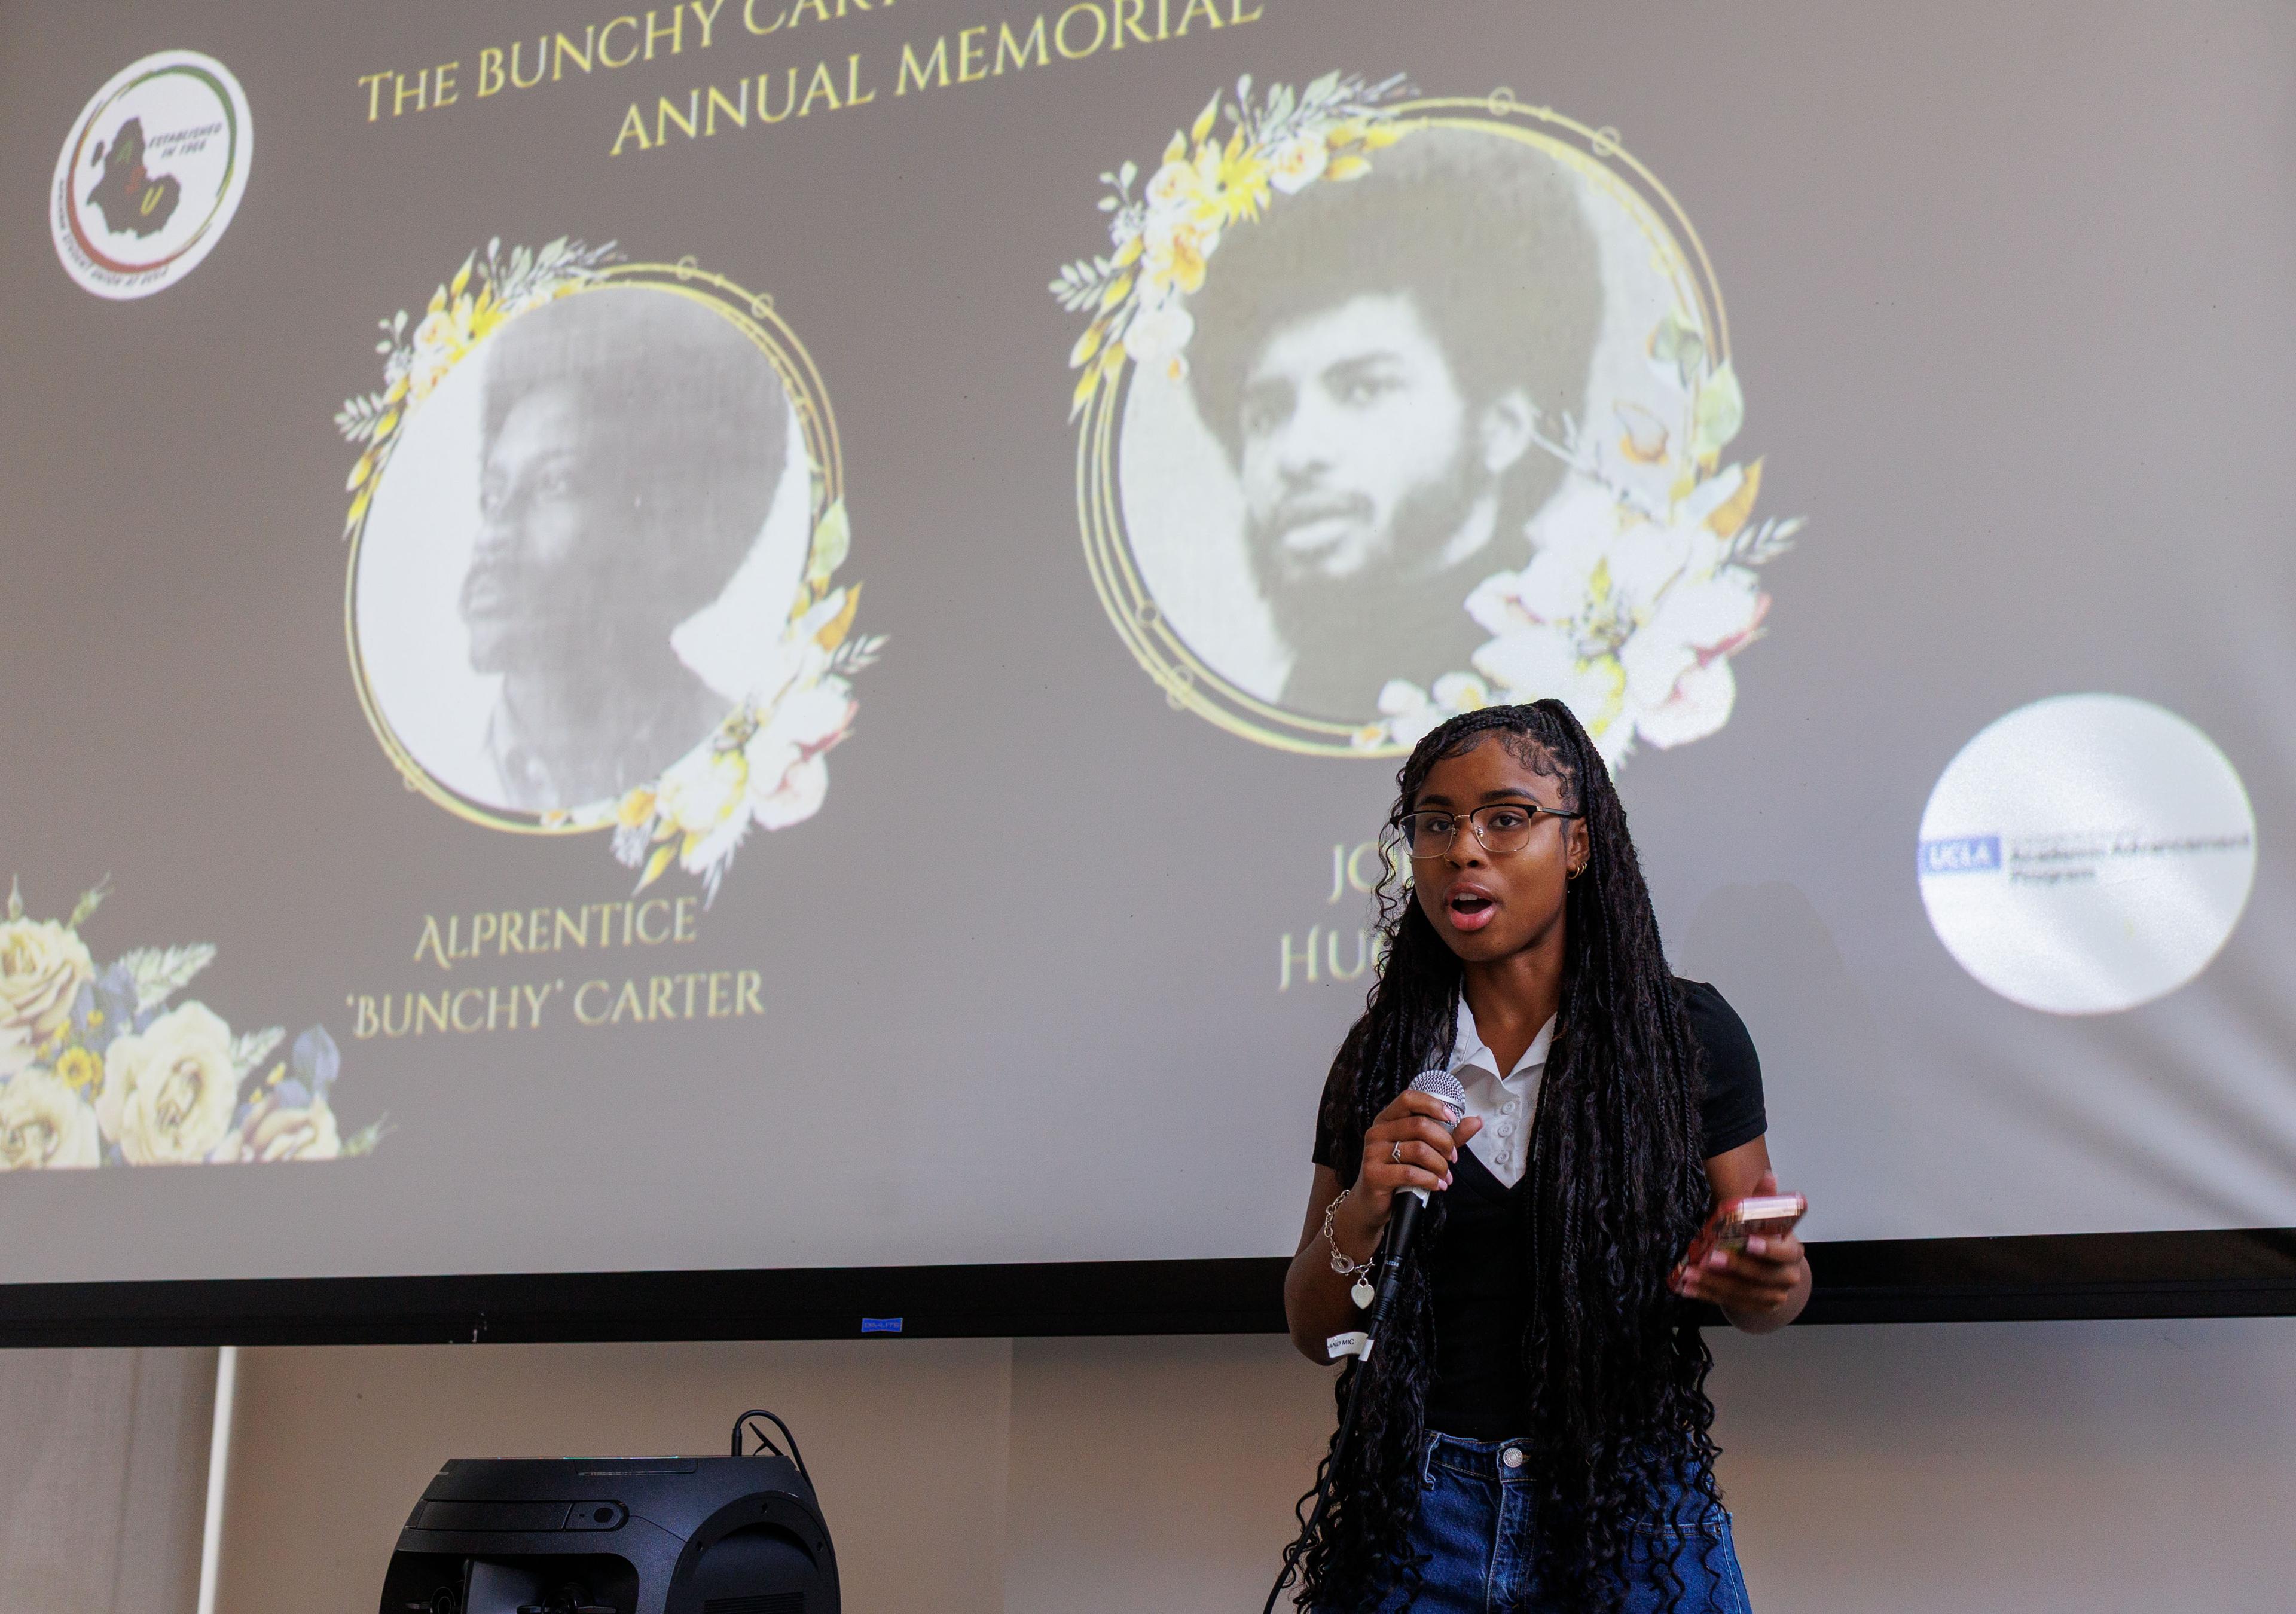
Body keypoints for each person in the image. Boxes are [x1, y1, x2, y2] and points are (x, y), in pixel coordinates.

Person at [1281, 700, 1810, 1612]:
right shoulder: (1384, 1055)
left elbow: (1768, 1287)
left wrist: (1763, 1281)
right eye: (1436, 824)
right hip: (1417, 1519)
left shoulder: (1685, 1038)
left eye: (1506, 818)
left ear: (1578, 844)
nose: (1464, 849)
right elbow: (1311, 1328)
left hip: (1630, 1512)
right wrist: (1363, 1207)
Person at [1184, 131, 1604, 720]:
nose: (1295, 455)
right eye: (1267, 415)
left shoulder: (1565, 680)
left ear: (1501, 429)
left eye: (1362, 390)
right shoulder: (1314, 694)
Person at [462, 288, 790, 811]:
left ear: (657, 519)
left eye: (555, 484)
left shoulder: (751, 745)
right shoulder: (453, 769)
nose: (491, 537)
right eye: (493, 494)